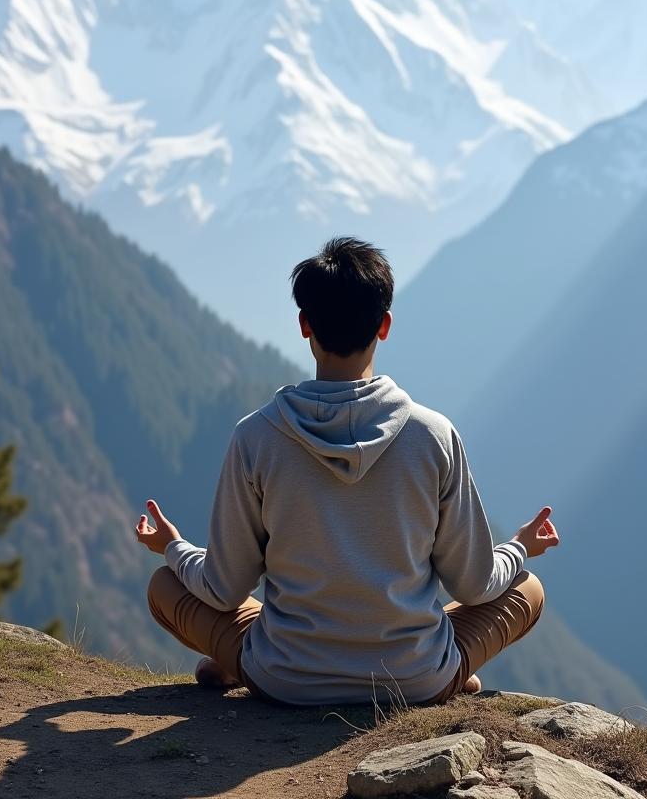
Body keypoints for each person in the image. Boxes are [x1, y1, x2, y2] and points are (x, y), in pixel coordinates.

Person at [136, 236, 558, 706]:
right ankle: (448, 675)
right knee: (527, 587)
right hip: (412, 679)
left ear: (303, 325)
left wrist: (171, 546)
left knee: (165, 584)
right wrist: (520, 546)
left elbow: (222, 587)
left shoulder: (256, 438)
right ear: (385, 325)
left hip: (286, 679)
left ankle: (240, 660)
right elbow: (476, 585)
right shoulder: (433, 435)